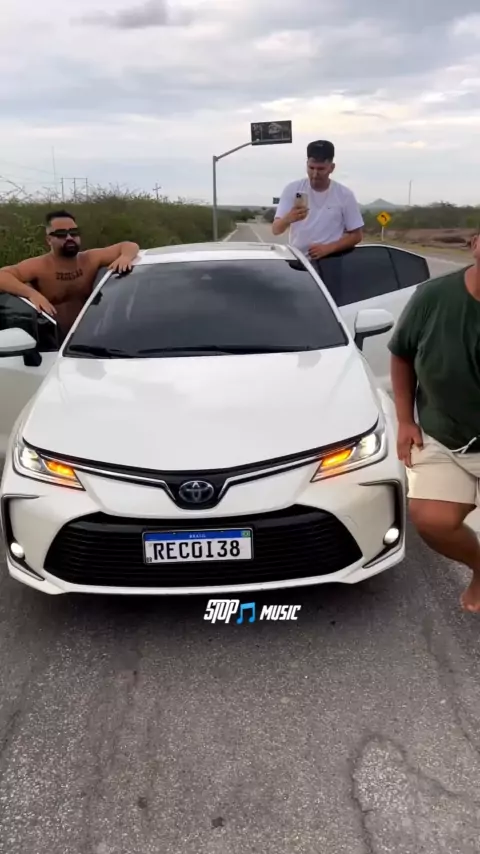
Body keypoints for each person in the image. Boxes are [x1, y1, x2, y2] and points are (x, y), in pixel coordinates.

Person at [388, 233, 480, 613]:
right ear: (475, 244)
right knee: (432, 520)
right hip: (444, 434)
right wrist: (405, 420)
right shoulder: (433, 297)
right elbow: (401, 355)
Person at [0, 210, 140, 337]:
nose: (69, 237)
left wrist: (125, 257)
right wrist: (31, 294)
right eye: (61, 234)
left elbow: (128, 245)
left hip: (92, 338)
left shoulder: (90, 259)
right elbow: (2, 275)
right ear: (49, 240)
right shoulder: (39, 266)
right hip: (53, 342)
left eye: (73, 233)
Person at [272, 140, 364, 282]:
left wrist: (329, 248)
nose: (315, 174)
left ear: (331, 168)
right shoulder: (292, 189)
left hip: (331, 263)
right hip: (298, 263)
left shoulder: (345, 195)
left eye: (321, 169)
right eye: (311, 168)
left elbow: (356, 235)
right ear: (306, 164)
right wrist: (288, 218)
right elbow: (276, 229)